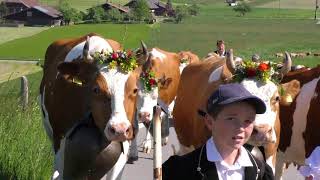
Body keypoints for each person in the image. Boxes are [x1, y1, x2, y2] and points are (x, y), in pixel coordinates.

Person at [162, 83, 274, 180]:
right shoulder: (180, 169)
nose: (241, 128)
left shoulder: (260, 170)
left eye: (248, 120)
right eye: (231, 119)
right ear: (210, 122)